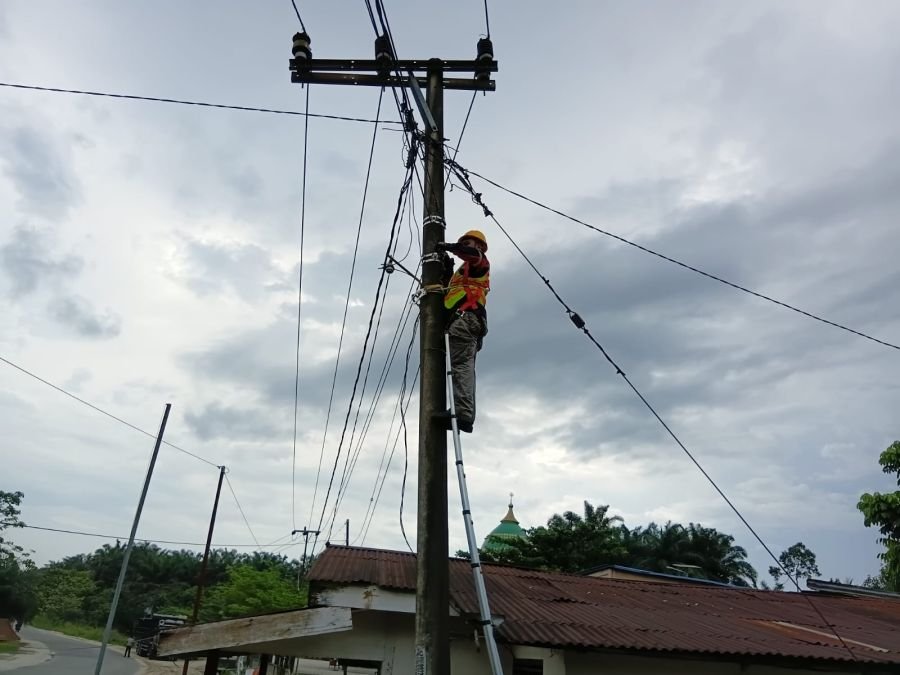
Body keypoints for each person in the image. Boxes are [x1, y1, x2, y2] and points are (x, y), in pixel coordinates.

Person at [435, 229, 490, 433]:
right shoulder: (464, 272)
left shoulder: (479, 262)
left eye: (470, 243)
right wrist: (447, 269)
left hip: (466, 319)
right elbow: (450, 292)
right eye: (464, 242)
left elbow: (472, 256)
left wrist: (450, 247)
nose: (466, 245)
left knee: (460, 367)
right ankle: (463, 412)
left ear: (479, 247)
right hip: (465, 321)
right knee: (462, 366)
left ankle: (462, 414)